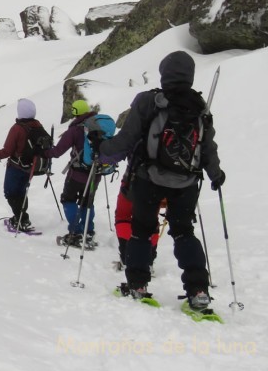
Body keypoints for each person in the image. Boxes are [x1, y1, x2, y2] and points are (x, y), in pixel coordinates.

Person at [90, 51, 225, 310]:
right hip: (186, 183)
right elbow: (208, 147)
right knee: (184, 232)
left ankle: (138, 284)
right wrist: (215, 174)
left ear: (164, 74)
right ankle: (198, 291)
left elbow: (126, 140)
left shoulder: (148, 101)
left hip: (148, 178)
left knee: (142, 230)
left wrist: (101, 148)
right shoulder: (199, 107)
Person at [43, 99, 113, 248]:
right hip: (96, 173)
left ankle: (75, 232)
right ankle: (88, 230)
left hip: (77, 174)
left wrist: (43, 152)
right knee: (88, 201)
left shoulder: (75, 130)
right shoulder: (98, 126)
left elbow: (57, 152)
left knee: (68, 199)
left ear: (75, 112)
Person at [0, 98, 45, 233]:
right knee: (21, 192)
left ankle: (21, 219)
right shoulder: (37, 125)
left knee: (10, 192)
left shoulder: (17, 128)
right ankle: (22, 218)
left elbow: (7, 150)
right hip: (30, 167)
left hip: (16, 167)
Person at [114, 162, 165, 269]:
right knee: (150, 220)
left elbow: (117, 149)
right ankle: (148, 259)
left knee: (123, 216)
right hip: (162, 183)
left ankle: (126, 256)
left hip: (133, 179)